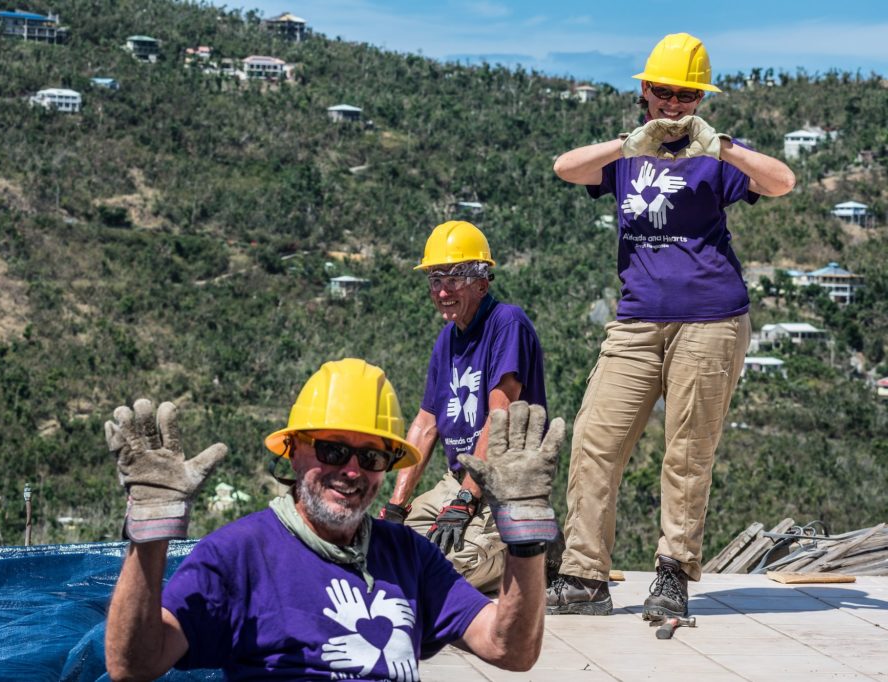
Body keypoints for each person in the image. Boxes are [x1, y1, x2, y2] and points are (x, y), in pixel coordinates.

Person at [104, 358, 565, 681]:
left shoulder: (409, 556)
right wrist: (148, 537)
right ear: (294, 451)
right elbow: (134, 664)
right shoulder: (236, 555)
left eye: (370, 456)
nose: (351, 470)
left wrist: (523, 536)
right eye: (332, 450)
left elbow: (512, 650)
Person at [548, 32, 795, 619]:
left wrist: (723, 147)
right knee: (594, 442)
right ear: (644, 91)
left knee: (687, 452)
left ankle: (673, 575)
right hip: (635, 323)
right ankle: (584, 577)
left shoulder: (715, 156)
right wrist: (628, 144)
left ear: (701, 100)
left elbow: (782, 181)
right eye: (664, 92)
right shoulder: (626, 157)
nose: (674, 105)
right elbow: (565, 168)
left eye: (687, 95)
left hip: (711, 320)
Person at [378, 221, 552, 593]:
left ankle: (536, 548)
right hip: (456, 482)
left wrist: (466, 499)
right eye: (435, 279)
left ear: (482, 283)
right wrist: (396, 506)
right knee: (380, 551)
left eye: (454, 279)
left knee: (443, 575)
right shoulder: (447, 339)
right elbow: (426, 424)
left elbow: (500, 417)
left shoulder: (507, 323)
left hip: (504, 489)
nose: (442, 290)